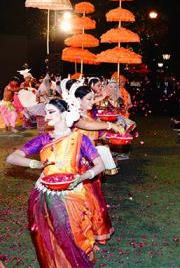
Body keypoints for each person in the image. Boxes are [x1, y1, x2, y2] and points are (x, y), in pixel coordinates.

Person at [6, 99, 108, 267]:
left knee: (74, 232)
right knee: (51, 233)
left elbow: (100, 165)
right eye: (46, 112)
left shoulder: (79, 139)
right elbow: (12, 158)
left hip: (73, 191)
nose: (46, 116)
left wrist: (82, 178)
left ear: (64, 114)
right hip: (46, 193)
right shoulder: (43, 139)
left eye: (51, 112)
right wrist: (36, 164)